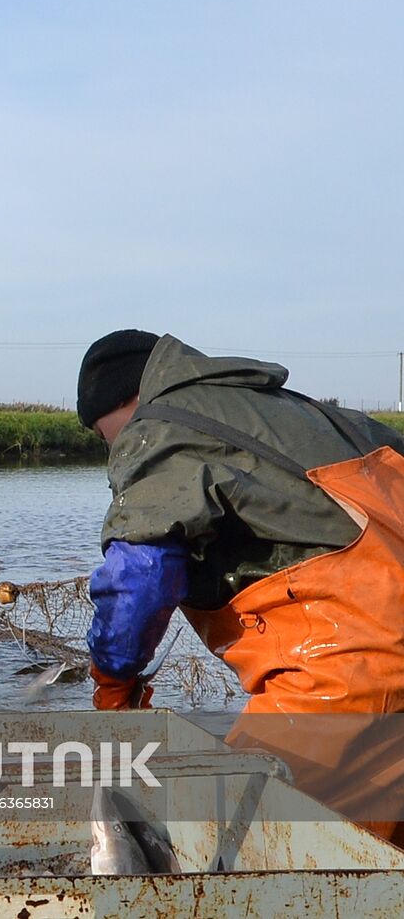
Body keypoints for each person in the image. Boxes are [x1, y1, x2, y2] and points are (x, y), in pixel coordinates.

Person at [77, 330, 404, 844]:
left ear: (123, 400)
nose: (109, 447)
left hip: (349, 662)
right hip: (383, 660)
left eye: (101, 433)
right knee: (374, 862)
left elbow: (140, 576)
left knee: (246, 844)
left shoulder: (157, 429)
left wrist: (113, 677)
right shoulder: (284, 409)